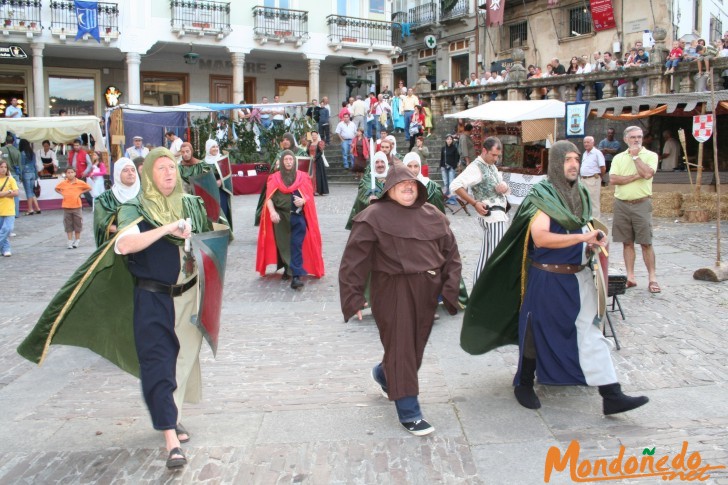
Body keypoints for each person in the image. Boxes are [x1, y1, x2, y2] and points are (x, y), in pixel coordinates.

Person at [19, 148, 217, 470]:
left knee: (180, 362)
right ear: (148, 173)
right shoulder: (134, 207)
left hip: (188, 296)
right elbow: (124, 244)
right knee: (158, 361)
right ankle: (170, 436)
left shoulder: (189, 203)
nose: (169, 173)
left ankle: (173, 416)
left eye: (172, 167)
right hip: (153, 297)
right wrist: (167, 229)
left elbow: (212, 236)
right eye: (161, 168)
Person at [460, 140, 649, 416]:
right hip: (547, 278)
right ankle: (524, 384)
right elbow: (541, 237)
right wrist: (582, 236)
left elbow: (581, 230)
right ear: (556, 165)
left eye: (576, 159)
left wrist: (590, 242)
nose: (573, 164)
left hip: (579, 277)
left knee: (591, 333)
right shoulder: (543, 194)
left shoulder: (580, 193)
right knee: (534, 332)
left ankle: (611, 394)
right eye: (567, 160)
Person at [339, 162, 462, 436]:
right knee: (403, 348)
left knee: (413, 349)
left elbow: (451, 254)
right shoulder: (373, 216)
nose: (408, 187)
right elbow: (353, 260)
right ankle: (409, 412)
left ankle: (384, 375)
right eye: (400, 184)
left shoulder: (432, 214)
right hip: (393, 291)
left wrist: (450, 287)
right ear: (388, 190)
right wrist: (354, 296)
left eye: (412, 184)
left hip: (427, 293)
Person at [256, 150, 324, 289]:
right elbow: (268, 198)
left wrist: (303, 200)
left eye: (290, 160)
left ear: (294, 161)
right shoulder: (274, 178)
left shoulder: (303, 177)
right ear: (282, 162)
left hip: (297, 216)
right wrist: (273, 212)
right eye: (286, 159)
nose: (288, 162)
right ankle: (288, 270)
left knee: (296, 245)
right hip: (280, 218)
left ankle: (295, 276)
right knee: (284, 246)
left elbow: (308, 196)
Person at [450, 137, 510, 285]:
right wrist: (474, 203)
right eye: (493, 155)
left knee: (487, 258)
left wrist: (504, 188)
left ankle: (478, 293)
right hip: (492, 216)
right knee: (497, 258)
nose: (495, 159)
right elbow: (455, 185)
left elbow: (502, 190)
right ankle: (487, 294)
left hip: (498, 215)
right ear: (484, 151)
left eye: (498, 156)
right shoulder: (476, 166)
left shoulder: (491, 166)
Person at [610, 126, 660, 293]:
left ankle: (652, 278)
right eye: (633, 137)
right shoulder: (618, 158)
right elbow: (613, 179)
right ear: (626, 139)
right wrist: (634, 176)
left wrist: (636, 157)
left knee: (646, 242)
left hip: (641, 203)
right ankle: (630, 277)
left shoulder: (651, 156)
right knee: (627, 242)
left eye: (639, 137)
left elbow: (647, 174)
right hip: (622, 204)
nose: (636, 140)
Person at [92, 157, 140, 247]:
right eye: (125, 170)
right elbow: (101, 223)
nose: (130, 173)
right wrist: (126, 231)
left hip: (144, 242)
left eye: (133, 170)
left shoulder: (145, 194)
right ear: (118, 173)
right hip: (117, 244)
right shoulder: (105, 199)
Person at [345, 151, 389, 230]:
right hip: (371, 220)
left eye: (382, 162)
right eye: (377, 162)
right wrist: (368, 199)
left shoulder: (392, 178)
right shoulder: (366, 180)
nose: (380, 165)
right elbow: (362, 195)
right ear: (373, 164)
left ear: (386, 163)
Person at [55, 167, 92, 249]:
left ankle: (77, 240)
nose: (70, 174)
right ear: (66, 174)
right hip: (66, 206)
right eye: (68, 172)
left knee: (78, 223)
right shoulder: (63, 183)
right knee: (68, 224)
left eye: (72, 172)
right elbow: (56, 188)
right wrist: (63, 194)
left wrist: (81, 192)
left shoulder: (80, 182)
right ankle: (69, 240)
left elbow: (89, 188)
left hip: (77, 206)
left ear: (75, 173)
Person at [203, 139, 233, 229]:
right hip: (209, 191)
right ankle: (213, 231)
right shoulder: (203, 162)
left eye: (216, 146)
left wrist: (221, 181)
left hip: (221, 190)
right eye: (213, 147)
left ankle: (224, 232)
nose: (216, 148)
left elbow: (228, 174)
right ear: (208, 148)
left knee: (222, 210)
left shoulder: (222, 159)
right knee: (211, 212)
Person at [580, 136, 606, 220]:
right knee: (585, 200)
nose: (586, 144)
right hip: (583, 180)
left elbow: (603, 167)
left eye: (588, 142)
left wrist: (599, 177)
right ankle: (587, 220)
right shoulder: (585, 153)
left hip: (592, 179)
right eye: (585, 142)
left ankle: (596, 222)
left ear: (593, 143)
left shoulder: (597, 153)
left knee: (594, 202)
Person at [0, 160, 18, 256]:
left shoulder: (11, 179)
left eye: (5, 167)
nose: (3, 169)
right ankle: (5, 249)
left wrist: (6, 193)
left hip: (9, 208)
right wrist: (8, 192)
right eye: (1, 167)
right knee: (2, 231)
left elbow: (16, 193)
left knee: (8, 229)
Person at [18, 139, 41, 215]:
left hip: (26, 173)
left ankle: (30, 209)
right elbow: (35, 164)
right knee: (31, 191)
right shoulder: (32, 153)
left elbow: (22, 165)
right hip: (33, 173)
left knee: (28, 192)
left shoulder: (22, 153)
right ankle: (37, 208)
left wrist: (20, 175)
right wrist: (36, 174)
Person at [306, 131, 329, 196]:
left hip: (318, 161)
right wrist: (309, 157)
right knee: (310, 175)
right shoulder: (309, 143)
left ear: (317, 135)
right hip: (310, 161)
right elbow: (307, 152)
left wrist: (315, 158)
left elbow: (320, 152)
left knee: (318, 176)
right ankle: (311, 190)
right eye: (312, 135)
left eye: (315, 135)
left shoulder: (320, 143)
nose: (314, 136)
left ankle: (318, 190)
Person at [440, 134, 459, 203]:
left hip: (451, 167)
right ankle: (446, 197)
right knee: (446, 183)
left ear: (452, 140)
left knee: (451, 183)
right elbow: (442, 158)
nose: (449, 140)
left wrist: (454, 166)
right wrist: (441, 166)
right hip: (444, 167)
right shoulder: (443, 148)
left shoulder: (454, 148)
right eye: (448, 139)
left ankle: (452, 199)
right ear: (445, 140)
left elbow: (457, 158)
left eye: (450, 139)